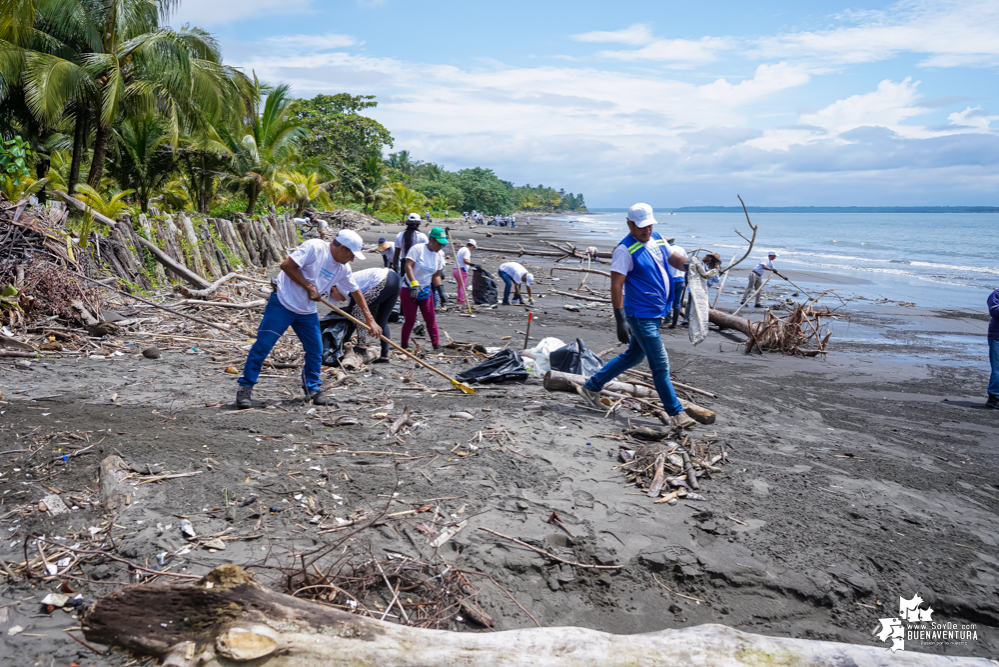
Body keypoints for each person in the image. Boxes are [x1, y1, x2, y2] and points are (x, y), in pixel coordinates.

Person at [576, 203, 695, 429]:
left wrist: (694, 266)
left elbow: (675, 260)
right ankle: (677, 413)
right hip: (639, 314)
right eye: (641, 227)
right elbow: (616, 285)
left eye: (649, 226)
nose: (646, 231)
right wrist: (620, 319)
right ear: (629, 224)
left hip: (656, 312)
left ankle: (590, 386)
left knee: (633, 356)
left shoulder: (658, 239)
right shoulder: (624, 250)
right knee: (660, 365)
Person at [236, 230, 381, 409]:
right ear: (342, 248)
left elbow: (355, 291)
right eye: (351, 254)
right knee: (263, 346)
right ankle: (245, 387)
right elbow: (287, 266)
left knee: (315, 350)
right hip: (283, 303)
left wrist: (370, 319)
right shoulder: (314, 247)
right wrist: (310, 287)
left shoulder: (343, 268)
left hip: (306, 311)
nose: (351, 259)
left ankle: (312, 389)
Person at [331, 267, 401, 363]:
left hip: (383, 280)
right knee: (381, 321)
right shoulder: (346, 286)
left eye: (333, 297)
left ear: (334, 289)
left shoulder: (343, 286)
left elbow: (357, 309)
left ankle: (361, 346)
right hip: (395, 279)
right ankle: (384, 357)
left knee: (358, 310)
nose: (337, 300)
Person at [401, 226, 448, 350]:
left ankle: (436, 345)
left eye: (443, 244)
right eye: (439, 244)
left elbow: (436, 275)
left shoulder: (439, 255)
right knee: (410, 319)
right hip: (409, 288)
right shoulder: (418, 249)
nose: (441, 247)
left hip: (426, 289)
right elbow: (408, 266)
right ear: (431, 240)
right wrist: (414, 283)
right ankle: (404, 345)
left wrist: (441, 291)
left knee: (430, 318)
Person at [666, 238, 686, 329]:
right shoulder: (681, 249)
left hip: (671, 279)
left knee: (667, 300)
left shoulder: (667, 250)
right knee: (677, 302)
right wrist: (686, 278)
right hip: (681, 278)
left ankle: (667, 320)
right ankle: (674, 324)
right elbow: (687, 263)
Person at [454, 239, 476, 305]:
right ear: (472, 246)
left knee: (460, 285)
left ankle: (459, 298)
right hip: (461, 269)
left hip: (455, 269)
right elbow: (465, 260)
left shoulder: (462, 249)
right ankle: (462, 300)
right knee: (463, 285)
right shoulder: (467, 251)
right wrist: (472, 264)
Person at [988, 288, 999, 408]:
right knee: (997, 368)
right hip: (997, 336)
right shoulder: (996, 294)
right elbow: (994, 311)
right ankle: (994, 397)